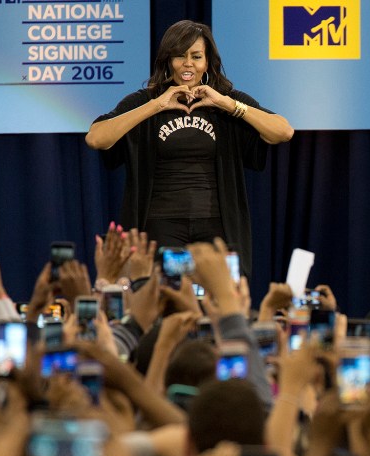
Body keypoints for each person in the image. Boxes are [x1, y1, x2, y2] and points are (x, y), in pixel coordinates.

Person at [85, 20, 294, 279]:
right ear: (167, 60)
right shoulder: (145, 101)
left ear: (207, 62)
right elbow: (96, 138)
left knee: (216, 304)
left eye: (196, 56)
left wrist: (228, 104)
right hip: (160, 224)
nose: (188, 64)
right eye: (179, 56)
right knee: (166, 303)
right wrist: (157, 105)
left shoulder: (226, 101)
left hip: (217, 224)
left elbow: (283, 131)